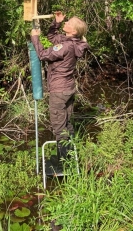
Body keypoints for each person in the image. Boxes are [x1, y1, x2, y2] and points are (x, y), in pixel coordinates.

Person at [30, 11, 89, 164]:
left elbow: (42, 55)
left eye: (68, 23)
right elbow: (52, 37)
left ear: (74, 31)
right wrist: (56, 23)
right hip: (68, 88)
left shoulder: (65, 46)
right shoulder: (72, 41)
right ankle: (70, 156)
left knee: (59, 126)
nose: (66, 23)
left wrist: (35, 37)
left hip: (59, 90)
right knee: (67, 123)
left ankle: (63, 162)